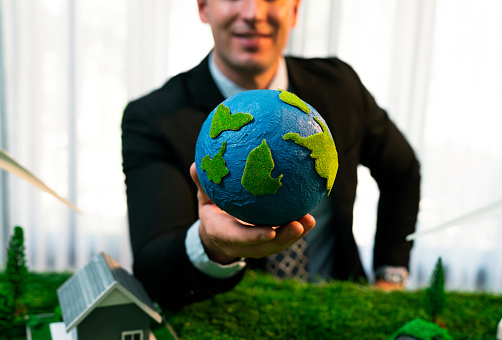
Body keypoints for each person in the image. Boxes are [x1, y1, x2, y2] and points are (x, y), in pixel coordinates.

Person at [121, 0, 420, 310]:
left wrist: (391, 274)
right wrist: (212, 246)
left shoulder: (339, 86)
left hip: (340, 302)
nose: (253, 13)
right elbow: (152, 267)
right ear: (203, 7)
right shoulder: (154, 117)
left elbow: (403, 170)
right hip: (233, 314)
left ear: (294, 10)